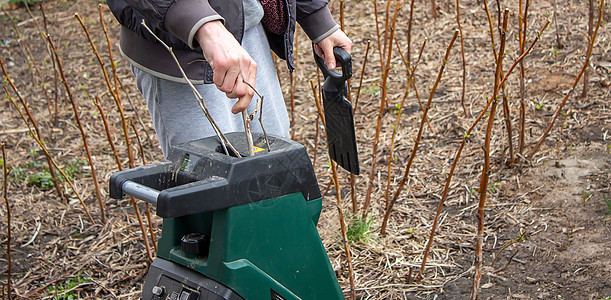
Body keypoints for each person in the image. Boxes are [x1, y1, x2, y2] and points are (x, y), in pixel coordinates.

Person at [107, 0, 352, 157]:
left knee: (275, 169)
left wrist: (318, 18)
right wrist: (204, 26)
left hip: (251, 29)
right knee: (210, 193)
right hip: (181, 49)